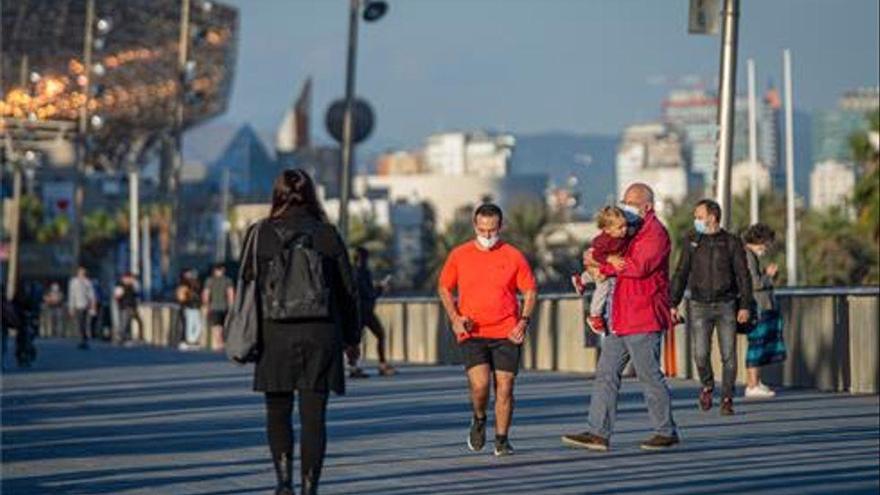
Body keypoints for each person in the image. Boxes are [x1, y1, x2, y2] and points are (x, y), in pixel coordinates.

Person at [243, 169, 361, 495]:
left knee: (278, 412)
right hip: (321, 334)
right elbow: (348, 291)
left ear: (277, 194)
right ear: (311, 194)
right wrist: (353, 339)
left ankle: (283, 484)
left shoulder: (260, 234)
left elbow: (248, 286)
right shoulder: (327, 234)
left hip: (274, 334)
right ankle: (310, 488)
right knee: (314, 417)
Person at [562, 183, 679, 451]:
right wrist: (595, 261)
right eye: (623, 202)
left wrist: (602, 266)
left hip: (643, 315)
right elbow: (602, 251)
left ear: (646, 207)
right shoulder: (628, 233)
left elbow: (636, 268)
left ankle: (665, 431)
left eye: (630, 203)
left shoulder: (655, 235)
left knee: (649, 375)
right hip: (619, 317)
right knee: (606, 374)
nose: (624, 208)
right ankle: (598, 432)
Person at [438, 203, 538, 457]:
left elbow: (530, 290)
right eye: (482, 230)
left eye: (492, 230)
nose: (487, 235)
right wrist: (455, 317)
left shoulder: (513, 255)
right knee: (481, 385)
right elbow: (444, 288)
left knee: (505, 387)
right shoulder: (459, 255)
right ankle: (479, 417)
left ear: (500, 227)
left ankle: (502, 439)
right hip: (472, 332)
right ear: (475, 226)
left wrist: (523, 321)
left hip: (507, 331)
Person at [670, 199, 752, 416]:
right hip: (699, 305)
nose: (695, 220)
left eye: (698, 216)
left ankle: (727, 398)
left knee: (729, 355)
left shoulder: (731, 242)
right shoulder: (692, 241)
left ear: (712, 217)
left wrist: (744, 305)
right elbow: (681, 272)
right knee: (700, 354)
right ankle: (707, 385)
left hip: (727, 304)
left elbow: (744, 276)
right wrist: (673, 303)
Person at [573, 206, 634, 335]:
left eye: (625, 226)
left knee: (596, 274)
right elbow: (595, 256)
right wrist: (610, 259)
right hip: (601, 260)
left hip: (602, 263)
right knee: (603, 284)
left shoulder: (625, 234)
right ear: (607, 229)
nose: (625, 230)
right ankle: (594, 315)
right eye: (620, 228)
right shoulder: (604, 241)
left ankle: (581, 279)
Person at [742, 223, 786, 399]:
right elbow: (754, 283)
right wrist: (768, 275)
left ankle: (756, 382)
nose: (767, 248)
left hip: (759, 305)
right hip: (756, 306)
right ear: (760, 241)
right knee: (757, 343)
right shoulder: (748, 256)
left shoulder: (750, 256)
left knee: (759, 343)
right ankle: (752, 385)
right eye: (767, 244)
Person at [348, 246, 396, 378]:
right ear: (362, 258)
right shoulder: (360, 273)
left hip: (359, 310)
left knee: (356, 339)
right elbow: (367, 293)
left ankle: (355, 367)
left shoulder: (352, 272)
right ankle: (377, 365)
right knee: (378, 335)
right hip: (364, 311)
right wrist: (380, 288)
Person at [202, 263, 234, 351]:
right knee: (221, 326)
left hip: (214, 306)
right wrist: (231, 305)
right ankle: (220, 342)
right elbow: (230, 293)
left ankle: (218, 342)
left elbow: (206, 293)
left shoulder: (209, 280)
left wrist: (205, 305)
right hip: (223, 306)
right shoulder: (228, 280)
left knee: (217, 326)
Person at [67, 267, 97, 350]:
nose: (82, 274)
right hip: (77, 305)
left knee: (84, 323)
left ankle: (83, 339)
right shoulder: (73, 282)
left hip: (85, 305)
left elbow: (92, 294)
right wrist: (71, 307)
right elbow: (71, 295)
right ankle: (82, 339)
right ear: (78, 273)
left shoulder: (88, 282)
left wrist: (93, 304)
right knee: (80, 323)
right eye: (81, 273)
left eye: (84, 273)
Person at [176, 269, 203, 350]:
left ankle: (193, 341)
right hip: (188, 306)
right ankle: (189, 341)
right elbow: (181, 297)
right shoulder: (183, 284)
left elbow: (199, 294)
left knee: (198, 325)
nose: (191, 276)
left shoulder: (197, 284)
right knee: (188, 324)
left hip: (196, 306)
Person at [113, 272, 142, 346]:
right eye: (130, 278)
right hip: (125, 306)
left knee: (133, 322)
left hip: (131, 306)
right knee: (125, 323)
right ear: (125, 278)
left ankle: (126, 338)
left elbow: (137, 295)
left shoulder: (132, 286)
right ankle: (122, 338)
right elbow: (117, 296)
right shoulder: (120, 286)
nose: (131, 280)